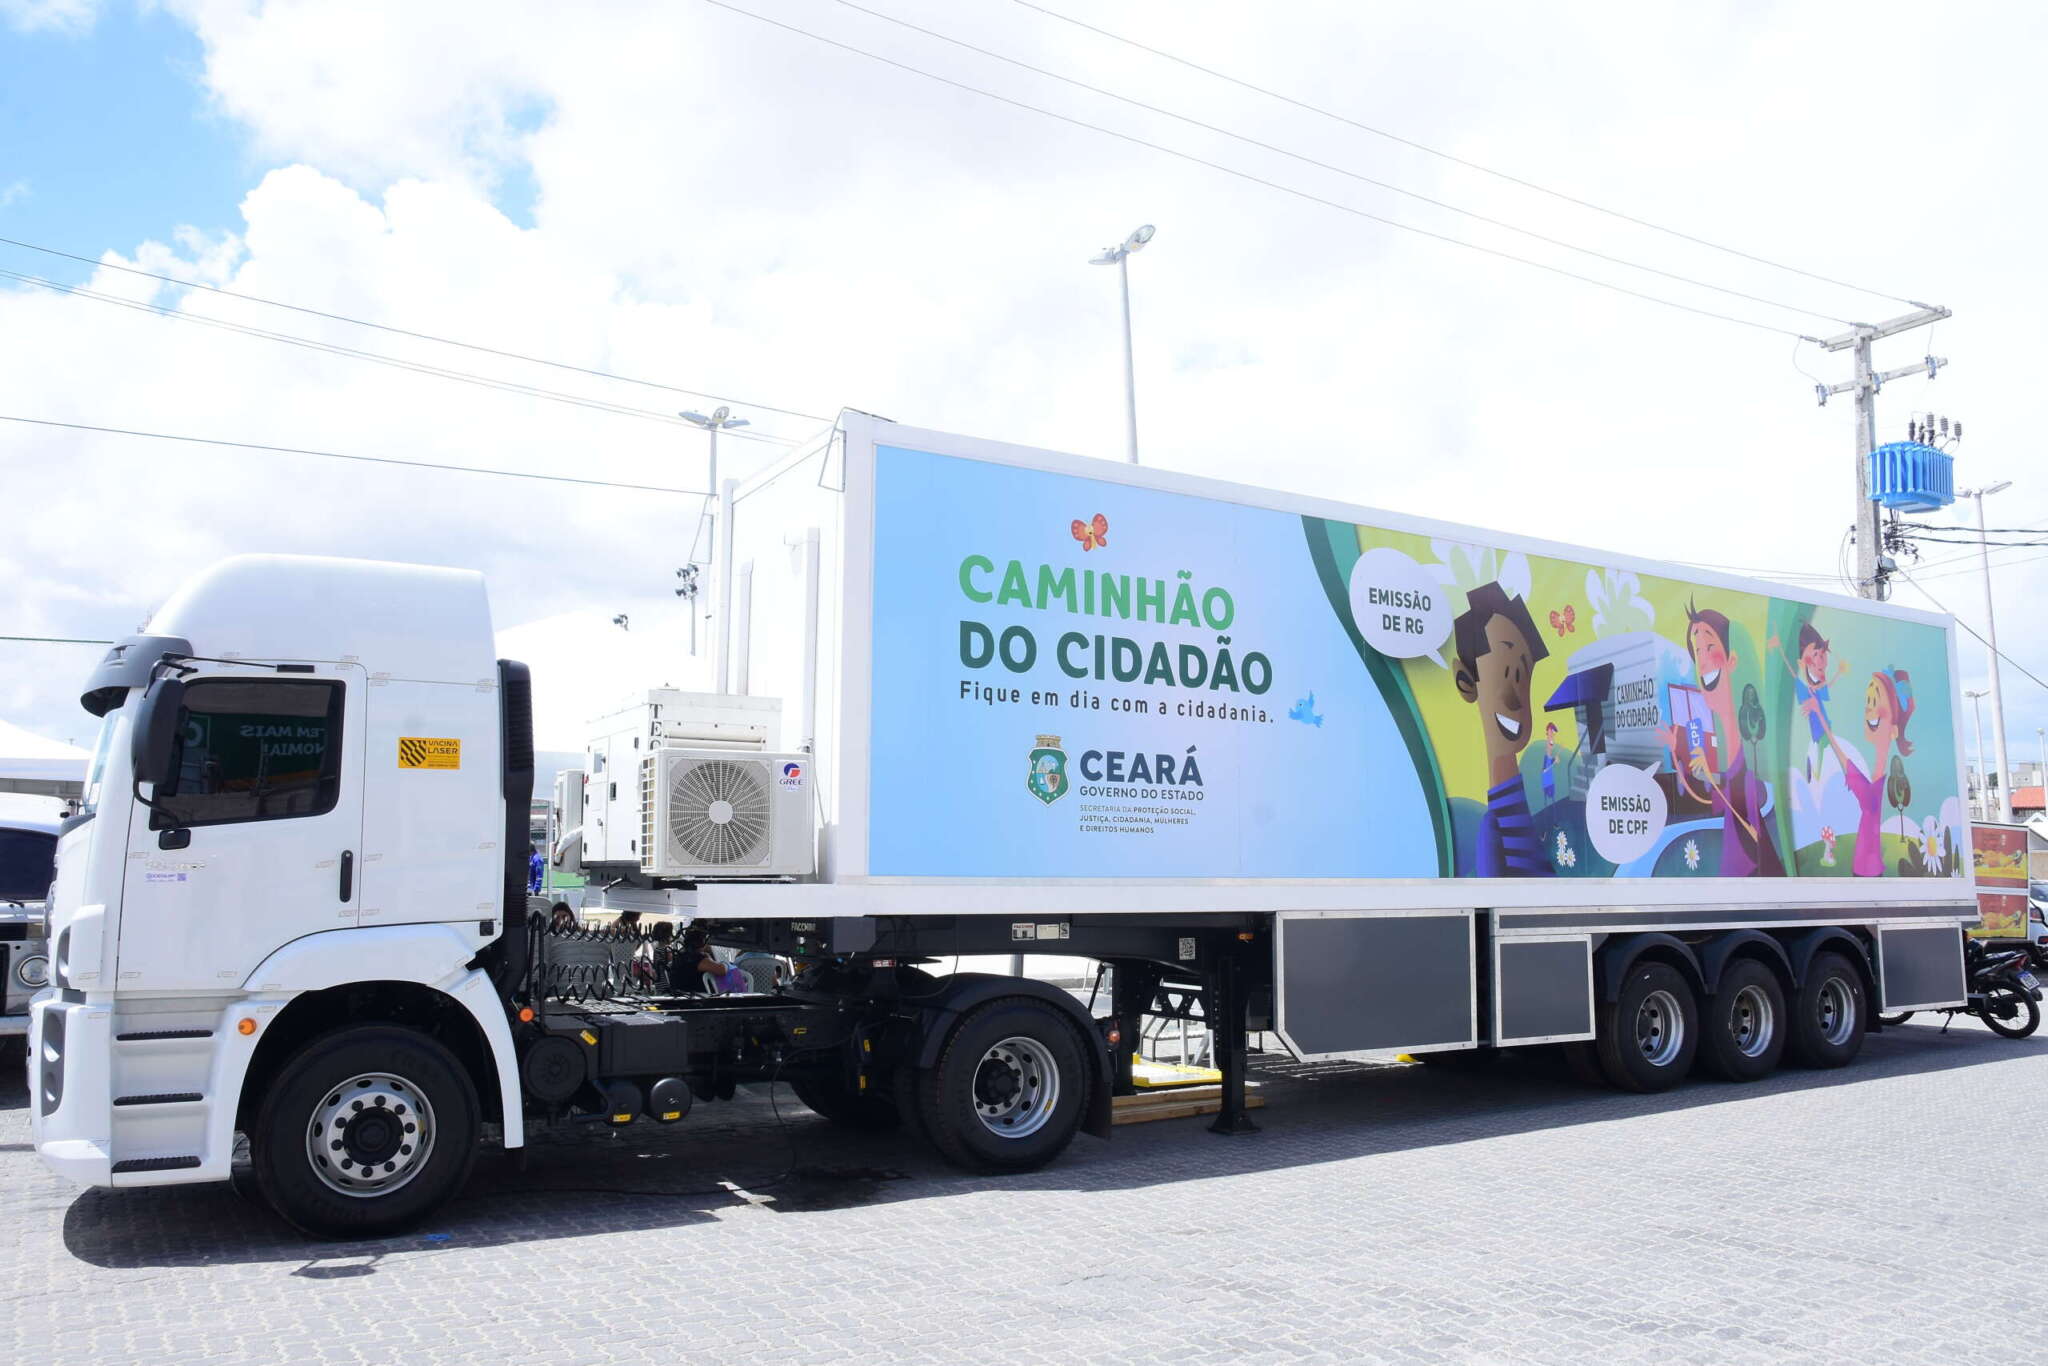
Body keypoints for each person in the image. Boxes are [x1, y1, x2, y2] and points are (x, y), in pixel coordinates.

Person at [1662, 601, 1784, 876]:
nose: (1703, 660)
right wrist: (1677, 754)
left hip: (1753, 874)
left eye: (1710, 647)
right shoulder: (1727, 755)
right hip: (1736, 877)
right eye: (1697, 652)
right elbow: (1709, 802)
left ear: (1732, 661)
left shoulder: (1752, 746)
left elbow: (1756, 800)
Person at [1452, 581, 1552, 876]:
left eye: (1522, 675)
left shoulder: (1508, 817)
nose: (1514, 697)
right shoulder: (1496, 824)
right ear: (1465, 683)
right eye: (1504, 672)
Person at [1812, 668, 1915, 878]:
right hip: (1866, 868)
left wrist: (1821, 717)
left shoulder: (1876, 787)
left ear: (1894, 731)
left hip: (1867, 870)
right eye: (1869, 702)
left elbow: (1847, 767)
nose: (1870, 710)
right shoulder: (1876, 782)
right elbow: (1848, 767)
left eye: (1876, 702)